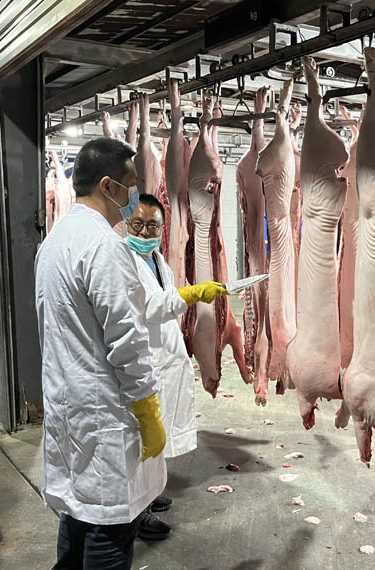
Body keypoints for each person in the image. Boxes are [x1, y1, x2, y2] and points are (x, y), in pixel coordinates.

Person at [35, 138, 226, 569]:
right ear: (107, 186)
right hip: (106, 414)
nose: (135, 193)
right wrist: (147, 409)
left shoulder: (56, 240)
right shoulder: (105, 247)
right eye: (131, 183)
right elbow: (127, 340)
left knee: (78, 517)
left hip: (70, 404)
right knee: (110, 530)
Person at [125, 194, 222, 541]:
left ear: (162, 229)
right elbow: (151, 307)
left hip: (165, 357)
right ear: (126, 223)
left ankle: (150, 494)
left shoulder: (158, 260)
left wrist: (183, 296)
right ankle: (137, 513)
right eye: (138, 224)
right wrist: (191, 294)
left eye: (153, 226)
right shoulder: (124, 261)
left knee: (159, 437)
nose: (145, 232)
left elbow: (165, 299)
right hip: (144, 362)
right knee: (142, 441)